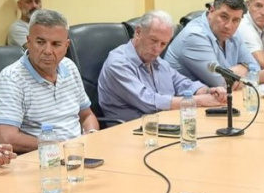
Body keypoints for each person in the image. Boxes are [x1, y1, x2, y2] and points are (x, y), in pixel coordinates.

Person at [0, 9, 99, 154]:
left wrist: (91, 135)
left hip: (78, 153)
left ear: (66, 46)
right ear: (29, 42)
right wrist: (58, 146)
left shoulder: (69, 67)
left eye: (56, 44)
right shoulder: (11, 78)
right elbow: (8, 138)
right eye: (40, 42)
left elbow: (86, 115)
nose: (48, 51)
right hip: (43, 159)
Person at [98, 10, 228, 123]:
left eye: (163, 44)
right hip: (130, 132)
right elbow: (148, 102)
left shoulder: (156, 61)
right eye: (153, 41)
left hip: (165, 125)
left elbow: (182, 83)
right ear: (138, 32)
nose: (157, 49)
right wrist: (198, 101)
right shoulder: (118, 64)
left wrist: (207, 92)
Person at [165, 0, 264, 88]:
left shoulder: (233, 34)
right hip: (184, 98)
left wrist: (243, 68)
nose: (228, 26)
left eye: (235, 20)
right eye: (224, 17)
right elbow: (221, 83)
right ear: (212, 11)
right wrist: (245, 72)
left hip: (219, 96)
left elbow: (256, 69)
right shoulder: (195, 35)